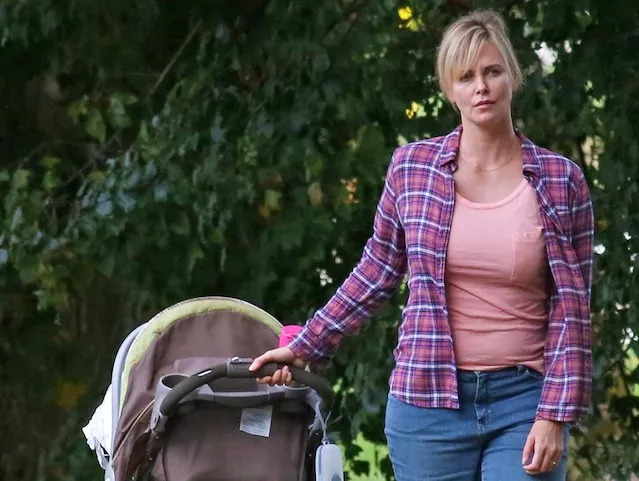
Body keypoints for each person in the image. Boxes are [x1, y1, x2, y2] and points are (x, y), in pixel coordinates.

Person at [249, 9, 593, 481]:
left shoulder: (561, 180)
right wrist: (308, 345)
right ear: (450, 89)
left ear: (513, 76)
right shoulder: (412, 168)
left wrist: (554, 412)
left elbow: (573, 308)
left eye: (492, 71)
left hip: (524, 400)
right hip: (427, 400)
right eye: (466, 77)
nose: (481, 87)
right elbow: (376, 271)